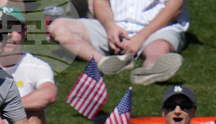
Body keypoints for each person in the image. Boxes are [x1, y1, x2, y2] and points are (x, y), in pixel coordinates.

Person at [47, 0, 187, 86]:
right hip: (115, 26)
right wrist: (110, 26)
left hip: (156, 28)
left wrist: (140, 37)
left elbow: (175, 7)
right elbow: (101, 3)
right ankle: (105, 62)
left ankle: (151, 69)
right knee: (58, 26)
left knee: (159, 47)